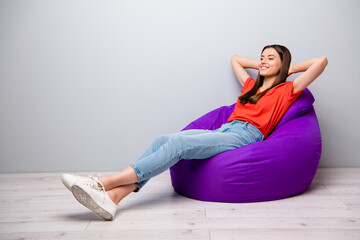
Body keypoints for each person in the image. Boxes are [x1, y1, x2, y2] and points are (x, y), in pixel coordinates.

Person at [61, 44, 328, 220]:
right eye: (261, 57)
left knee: (178, 145)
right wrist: (264, 67)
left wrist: (288, 69)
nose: (262, 61)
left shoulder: (287, 90)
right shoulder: (250, 86)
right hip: (227, 129)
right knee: (163, 139)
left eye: (270, 58)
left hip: (247, 135)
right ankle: (114, 198)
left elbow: (321, 61)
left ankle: (104, 183)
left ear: (283, 65)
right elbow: (235, 58)